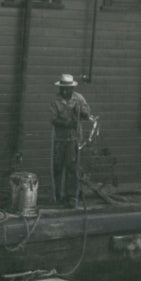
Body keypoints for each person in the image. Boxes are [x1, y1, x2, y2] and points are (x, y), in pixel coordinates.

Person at [51, 73, 91, 206]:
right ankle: (57, 196)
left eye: (67, 88)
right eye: (62, 88)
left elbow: (87, 114)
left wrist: (80, 111)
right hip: (59, 139)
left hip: (74, 139)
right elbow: (53, 119)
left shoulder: (79, 98)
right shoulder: (55, 100)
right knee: (57, 167)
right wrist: (67, 123)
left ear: (72, 88)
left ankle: (72, 196)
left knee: (72, 167)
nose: (64, 91)